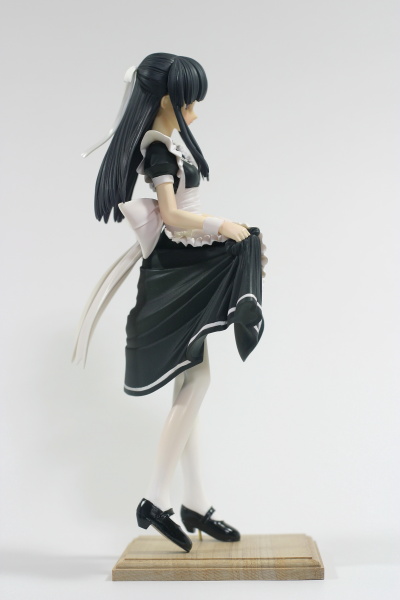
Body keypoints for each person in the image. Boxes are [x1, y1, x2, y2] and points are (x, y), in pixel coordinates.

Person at [73, 53, 267, 553]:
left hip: (185, 261)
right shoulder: (158, 149)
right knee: (197, 379)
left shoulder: (168, 145)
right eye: (188, 103)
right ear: (166, 101)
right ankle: (155, 499)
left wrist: (224, 230)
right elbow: (175, 217)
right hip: (175, 270)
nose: (194, 112)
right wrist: (219, 226)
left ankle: (194, 502)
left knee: (190, 379)